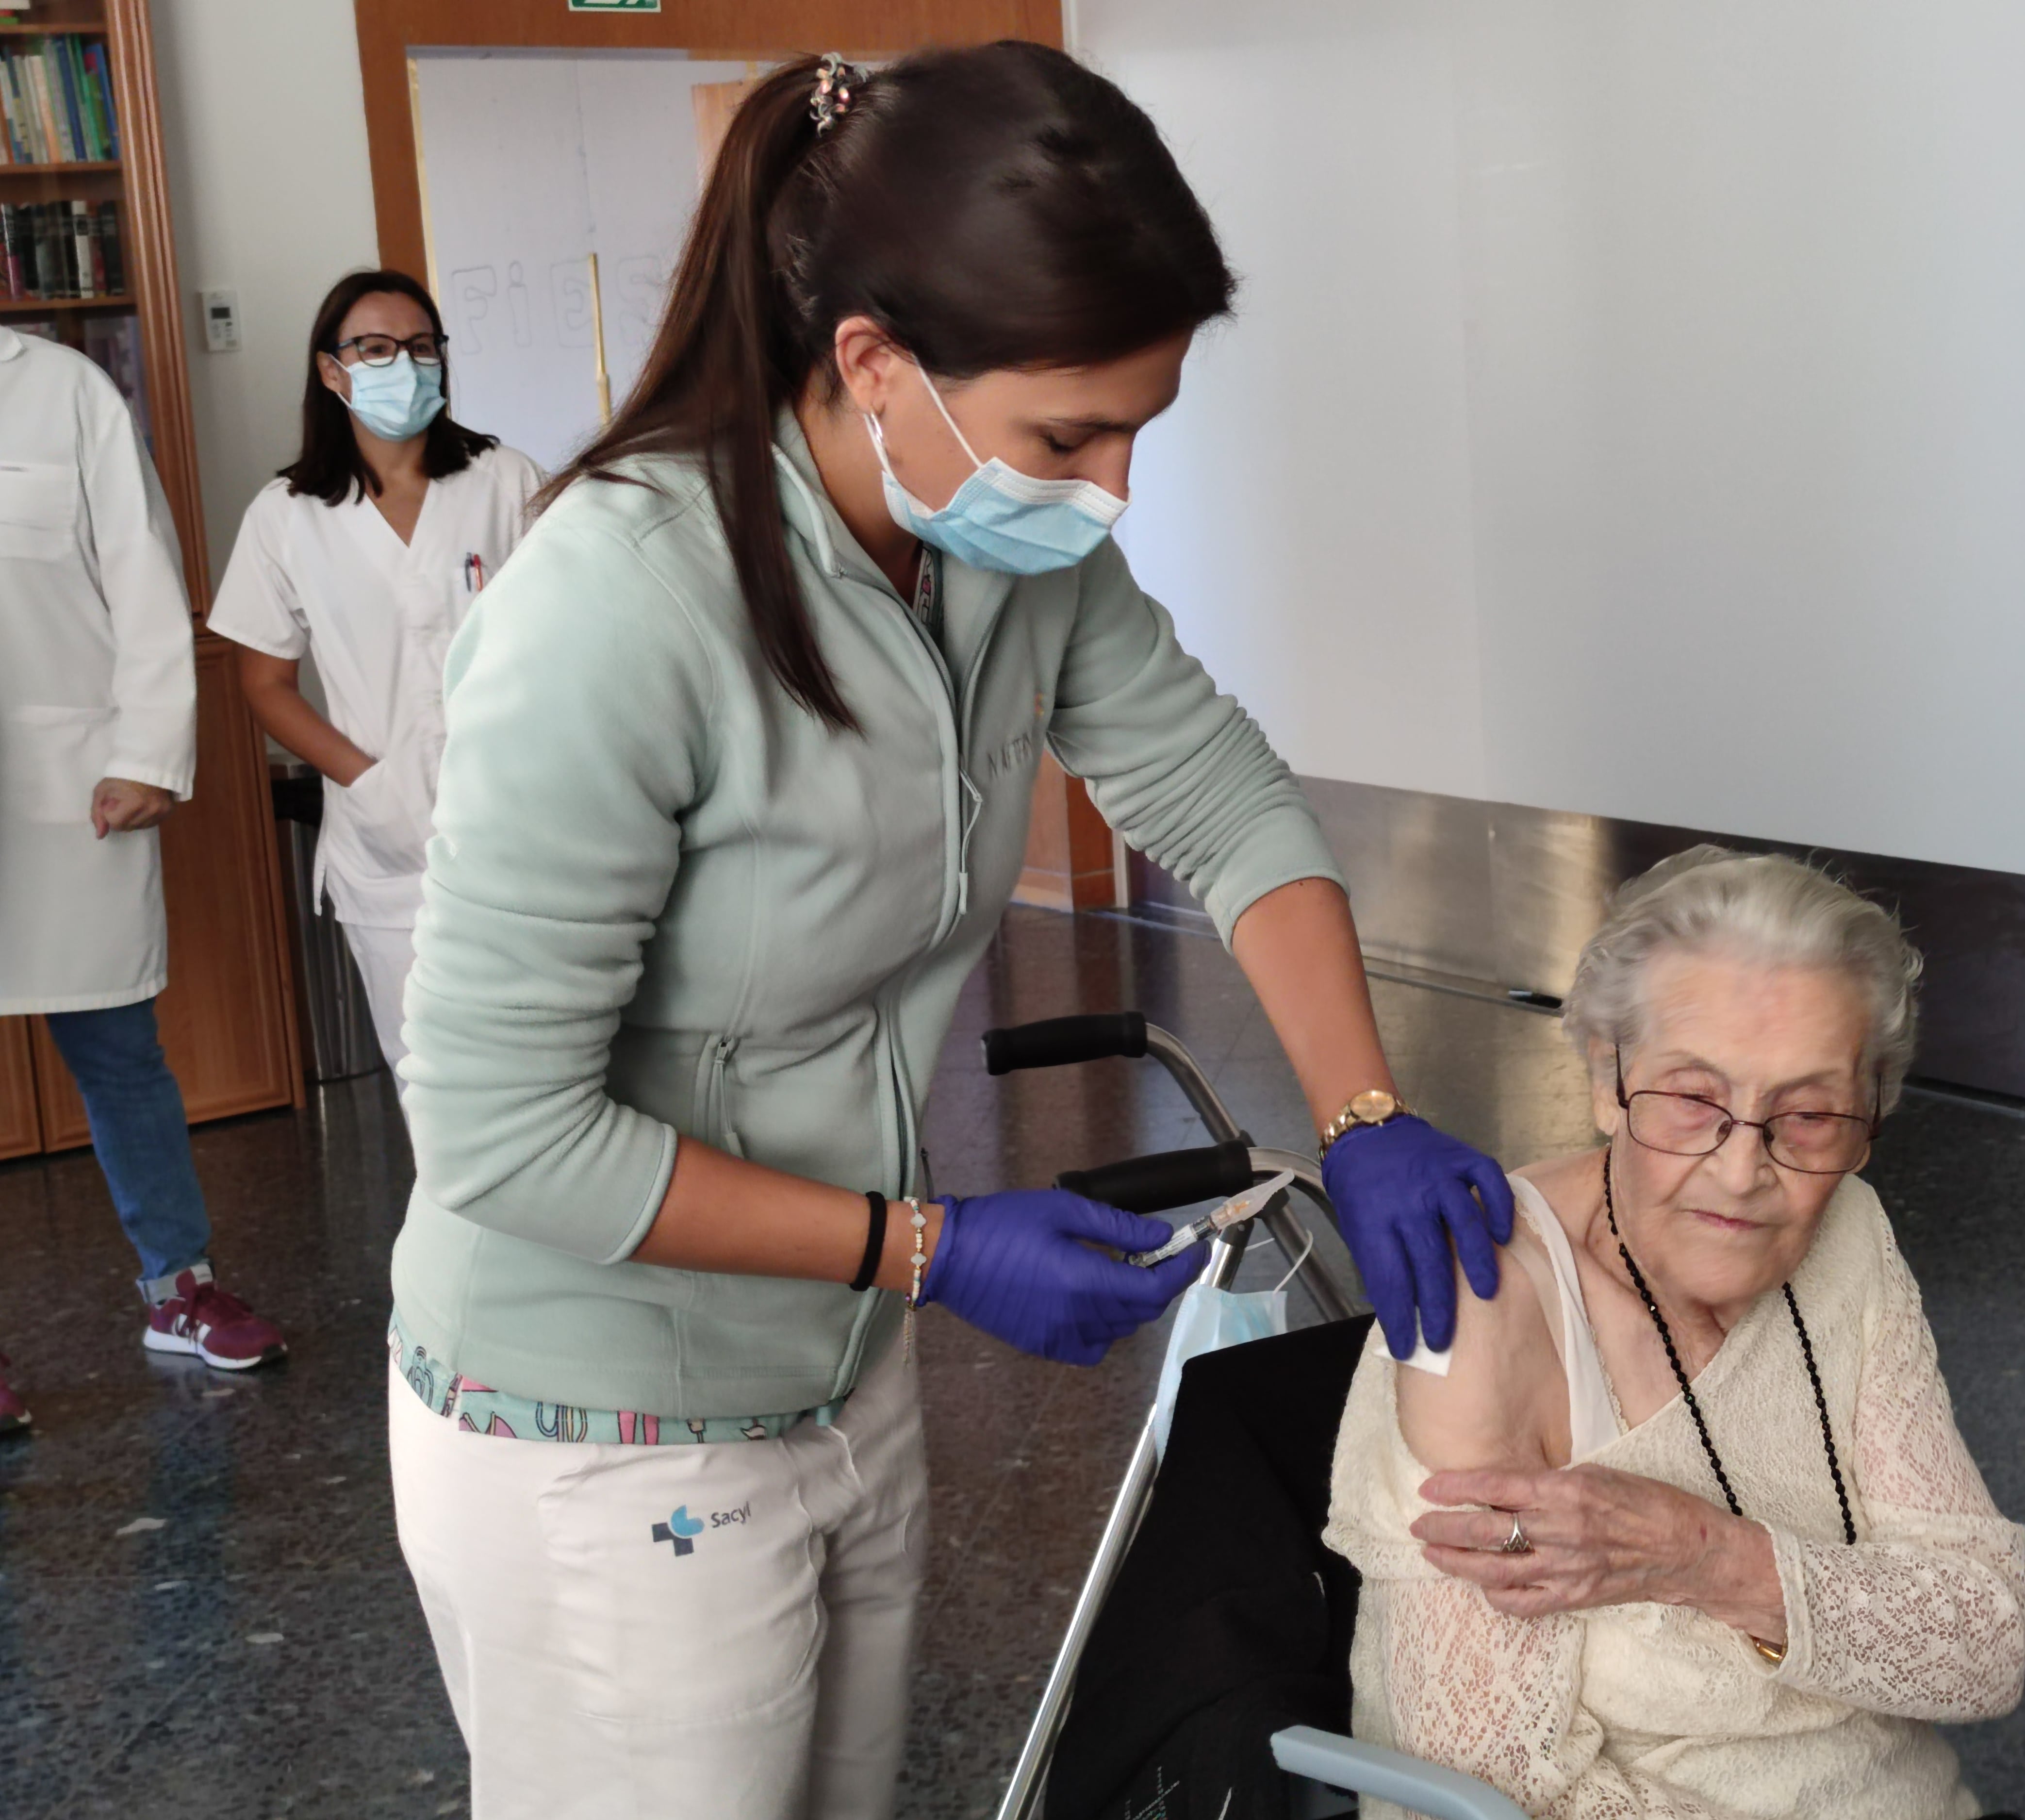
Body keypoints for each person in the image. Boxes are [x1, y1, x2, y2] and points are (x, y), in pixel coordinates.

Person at [382, 46, 1512, 1817]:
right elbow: (502, 1135)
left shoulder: (1008, 555)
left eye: (1140, 429)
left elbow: (1223, 799)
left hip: (834, 1366)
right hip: (595, 1421)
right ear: (871, 363)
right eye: (1073, 435)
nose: (1115, 487)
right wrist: (931, 1246)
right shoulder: (617, 608)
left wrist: (1364, 1109)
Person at [1325, 848, 2025, 1820]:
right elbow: (1485, 1781)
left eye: (1810, 1115)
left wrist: (1702, 1555)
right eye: (1694, 1101)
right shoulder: (1487, 1305)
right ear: (1606, 1082)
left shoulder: (1850, 1235)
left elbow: (1982, 1648)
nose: (1743, 1170)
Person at [0, 324, 287, 1427]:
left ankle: (180, 1290)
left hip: (73, 790)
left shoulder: (64, 391)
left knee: (120, 1054)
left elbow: (143, 570)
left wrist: (146, 754)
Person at [208, 270, 544, 1070]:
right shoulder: (286, 515)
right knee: (431, 1083)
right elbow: (265, 683)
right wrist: (368, 781)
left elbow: (569, 640)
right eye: (377, 347)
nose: (406, 363)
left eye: (422, 346)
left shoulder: (506, 482)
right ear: (333, 370)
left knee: (548, 1072)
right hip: (388, 842)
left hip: (526, 821)